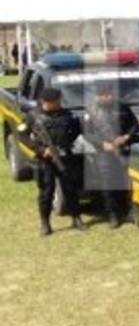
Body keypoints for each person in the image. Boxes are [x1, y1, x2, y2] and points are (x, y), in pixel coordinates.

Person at [20, 87, 84, 236]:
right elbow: (23, 135)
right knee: (46, 192)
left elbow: (76, 130)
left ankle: (76, 218)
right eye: (54, 102)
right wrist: (41, 150)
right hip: (45, 160)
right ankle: (45, 223)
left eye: (58, 101)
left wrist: (66, 144)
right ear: (44, 102)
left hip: (65, 157)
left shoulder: (67, 115)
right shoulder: (33, 116)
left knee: (70, 189)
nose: (57, 104)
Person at [83, 83, 138, 228]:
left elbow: (135, 125)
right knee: (108, 185)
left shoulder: (122, 107)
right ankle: (113, 214)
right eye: (104, 94)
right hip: (104, 153)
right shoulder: (91, 111)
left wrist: (126, 137)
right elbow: (87, 134)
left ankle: (130, 211)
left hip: (123, 150)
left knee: (127, 183)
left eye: (110, 94)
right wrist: (102, 144)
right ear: (98, 96)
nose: (108, 97)